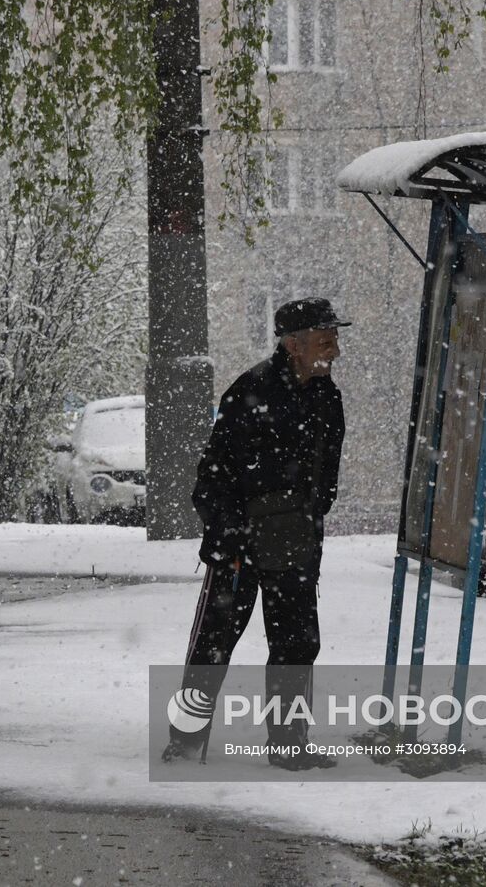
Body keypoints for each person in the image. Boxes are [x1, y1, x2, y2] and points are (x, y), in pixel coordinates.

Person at [164, 297, 349, 771]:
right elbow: (212, 475)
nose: (335, 350)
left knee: (296, 643)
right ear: (294, 345)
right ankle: (184, 744)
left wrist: (306, 519)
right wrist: (230, 537)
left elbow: (327, 471)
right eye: (325, 340)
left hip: (296, 542)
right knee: (214, 642)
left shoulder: (327, 396)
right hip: (239, 545)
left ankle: (289, 745)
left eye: (334, 339)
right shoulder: (250, 391)